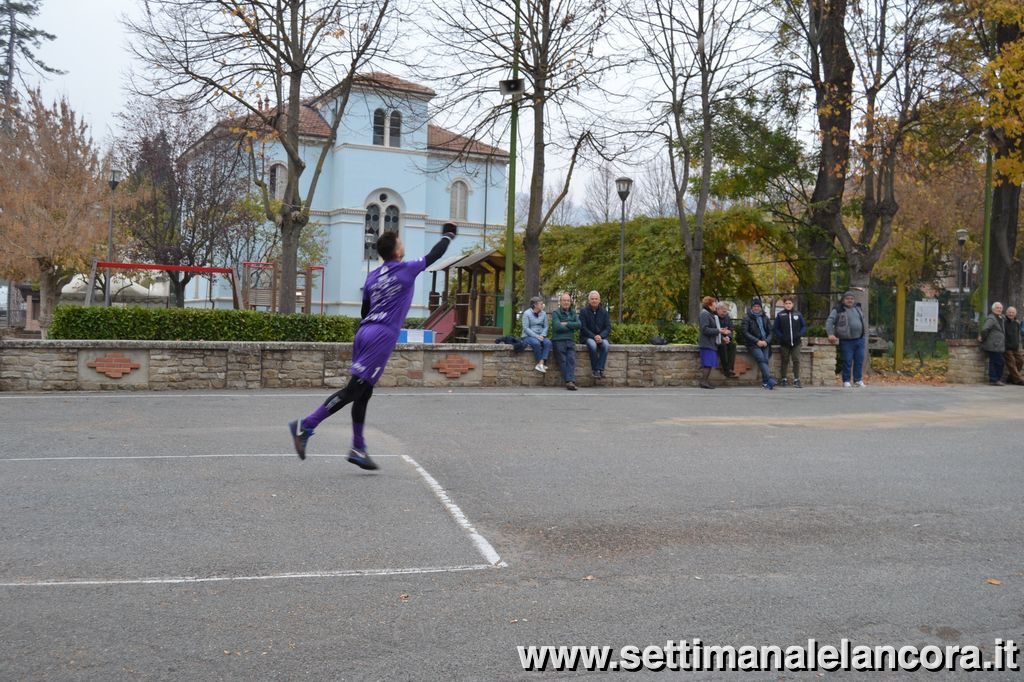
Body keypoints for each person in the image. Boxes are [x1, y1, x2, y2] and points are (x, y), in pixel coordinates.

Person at [287, 223, 458, 470]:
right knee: (353, 391)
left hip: (365, 331)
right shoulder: (406, 269)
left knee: (364, 391)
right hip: (382, 335)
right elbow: (435, 255)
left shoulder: (372, 276)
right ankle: (307, 426)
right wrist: (448, 235)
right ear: (397, 251)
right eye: (401, 243)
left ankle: (358, 447)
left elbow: (365, 310)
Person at [826, 290, 866, 388]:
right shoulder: (838, 309)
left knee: (859, 360)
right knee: (847, 361)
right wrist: (830, 334)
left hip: (860, 339)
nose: (850, 300)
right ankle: (846, 381)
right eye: (847, 299)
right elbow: (829, 322)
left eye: (852, 299)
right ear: (843, 300)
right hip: (846, 340)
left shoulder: (858, 308)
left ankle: (858, 380)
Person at [742, 297, 776, 389]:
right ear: (752, 307)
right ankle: (769, 379)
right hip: (753, 344)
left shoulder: (765, 317)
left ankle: (765, 383)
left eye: (758, 306)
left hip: (765, 343)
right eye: (755, 306)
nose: (756, 308)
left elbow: (771, 331)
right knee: (761, 359)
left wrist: (766, 341)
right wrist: (757, 341)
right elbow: (745, 332)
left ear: (761, 307)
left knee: (765, 360)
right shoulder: (747, 318)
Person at [772, 295, 806, 387]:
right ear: (784, 304)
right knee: (785, 360)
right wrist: (781, 336)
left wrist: (800, 334)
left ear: (793, 304)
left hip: (796, 342)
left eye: (789, 303)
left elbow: (803, 326)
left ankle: (797, 379)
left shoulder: (798, 314)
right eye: (786, 303)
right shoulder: (780, 315)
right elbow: (776, 328)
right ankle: (783, 379)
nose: (788, 305)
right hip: (784, 342)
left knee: (796, 359)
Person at [551, 292, 580, 390]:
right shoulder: (556, 313)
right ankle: (570, 381)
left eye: (568, 300)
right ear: (560, 302)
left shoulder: (573, 312)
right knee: (563, 361)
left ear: (570, 302)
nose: (566, 302)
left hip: (570, 340)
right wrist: (571, 325)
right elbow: (557, 327)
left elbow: (579, 325)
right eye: (564, 300)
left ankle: (569, 381)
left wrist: (566, 323)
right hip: (558, 341)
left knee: (571, 360)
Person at [579, 290, 611, 379]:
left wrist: (601, 336)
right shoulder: (583, 311)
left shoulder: (604, 312)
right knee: (593, 345)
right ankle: (596, 370)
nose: (594, 300)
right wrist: (594, 336)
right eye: (592, 299)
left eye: (596, 299)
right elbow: (583, 328)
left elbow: (608, 328)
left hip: (601, 337)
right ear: (589, 300)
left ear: (599, 300)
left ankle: (598, 369)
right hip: (587, 337)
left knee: (606, 345)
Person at [521, 296, 553, 374]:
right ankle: (540, 363)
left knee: (548, 342)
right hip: (528, 336)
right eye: (541, 304)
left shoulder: (544, 313)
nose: (542, 305)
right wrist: (536, 336)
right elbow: (526, 328)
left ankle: (540, 363)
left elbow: (546, 326)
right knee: (536, 343)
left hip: (541, 335)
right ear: (535, 305)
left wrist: (542, 335)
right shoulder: (526, 313)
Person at [980, 301, 1006, 386]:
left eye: (1000, 308)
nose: (999, 309)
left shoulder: (1001, 317)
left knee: (996, 362)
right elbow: (984, 329)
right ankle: (994, 379)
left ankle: (995, 379)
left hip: (999, 345)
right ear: (993, 309)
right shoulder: (991, 318)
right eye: (997, 308)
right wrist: (984, 338)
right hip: (993, 345)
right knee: (998, 362)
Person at [697, 295, 720, 389]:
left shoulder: (709, 314)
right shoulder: (705, 314)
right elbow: (705, 329)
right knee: (707, 363)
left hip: (710, 343)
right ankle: (703, 382)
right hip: (706, 343)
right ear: (710, 304)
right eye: (715, 303)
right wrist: (719, 331)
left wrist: (720, 331)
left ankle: (705, 381)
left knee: (709, 363)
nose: (716, 305)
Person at [715, 303, 737, 378]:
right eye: (723, 311)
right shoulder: (714, 317)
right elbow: (714, 330)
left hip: (726, 339)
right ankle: (726, 370)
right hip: (716, 340)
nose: (725, 313)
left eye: (726, 311)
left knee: (733, 345)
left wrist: (728, 337)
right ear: (718, 310)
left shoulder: (727, 317)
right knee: (722, 346)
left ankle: (730, 368)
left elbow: (731, 330)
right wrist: (722, 338)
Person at [1004, 307, 1024, 385]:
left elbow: (1018, 335)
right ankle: (1019, 380)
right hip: (1007, 347)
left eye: (1012, 312)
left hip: (1015, 347)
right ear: (1006, 313)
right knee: (1011, 363)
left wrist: (1020, 346)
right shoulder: (1003, 322)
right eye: (1009, 312)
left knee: (1021, 361)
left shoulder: (1017, 323)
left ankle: (1011, 378)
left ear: (1015, 313)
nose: (1011, 314)